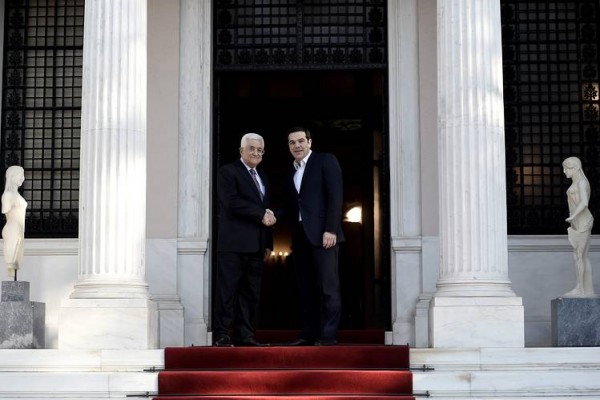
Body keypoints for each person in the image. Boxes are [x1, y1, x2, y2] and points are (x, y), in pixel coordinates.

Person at [281, 126, 344, 346]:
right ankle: (308, 334)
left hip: (324, 235)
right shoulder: (292, 171)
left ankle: (328, 336)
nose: (296, 145)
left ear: (309, 142)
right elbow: (292, 207)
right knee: (306, 288)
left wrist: (331, 229)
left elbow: (335, 196)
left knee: (328, 288)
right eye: (292, 143)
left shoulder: (325, 161)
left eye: (300, 141)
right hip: (300, 237)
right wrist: (268, 215)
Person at [213, 133, 275, 347]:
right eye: (251, 148)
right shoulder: (228, 172)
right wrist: (259, 215)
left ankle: (245, 336)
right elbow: (231, 202)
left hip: (257, 246)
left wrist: (268, 243)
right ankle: (222, 335)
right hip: (233, 244)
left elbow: (268, 211)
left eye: (260, 150)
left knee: (250, 294)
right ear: (241, 150)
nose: (256, 153)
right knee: (227, 291)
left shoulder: (263, 177)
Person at [562, 156, 596, 297]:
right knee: (583, 256)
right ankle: (588, 290)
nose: (564, 171)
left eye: (566, 168)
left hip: (582, 221)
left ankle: (580, 288)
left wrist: (573, 216)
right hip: (580, 222)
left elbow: (584, 203)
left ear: (575, 168)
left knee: (578, 256)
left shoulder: (581, 182)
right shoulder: (578, 182)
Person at [2, 165, 27, 280]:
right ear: (12, 177)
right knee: (11, 261)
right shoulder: (7, 196)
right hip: (12, 229)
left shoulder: (17, 195)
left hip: (19, 230)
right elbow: (5, 210)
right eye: (20, 175)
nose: (23, 178)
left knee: (17, 261)